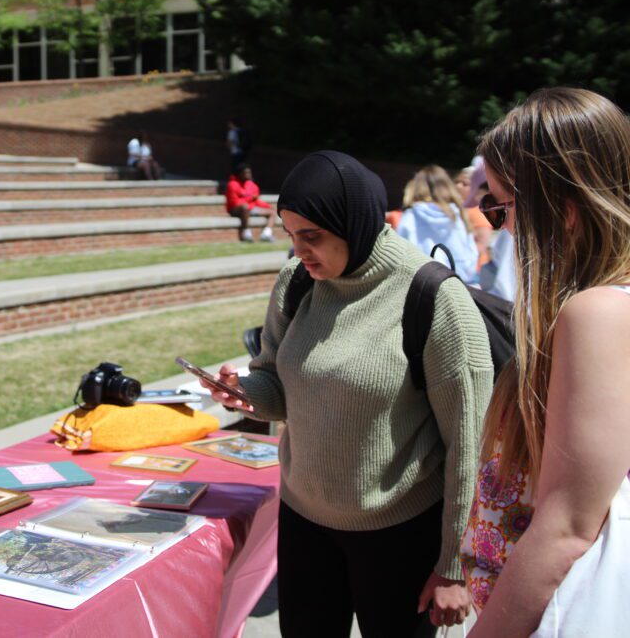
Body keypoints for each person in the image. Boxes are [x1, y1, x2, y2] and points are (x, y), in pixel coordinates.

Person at [202, 151, 492, 637]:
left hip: (401, 535)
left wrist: (455, 565)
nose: (299, 251)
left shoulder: (434, 298)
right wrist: (245, 393)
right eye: (291, 235)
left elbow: (471, 447)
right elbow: (276, 382)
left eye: (312, 236)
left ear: (354, 223)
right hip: (305, 523)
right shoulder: (296, 283)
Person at [460, 87, 630, 635]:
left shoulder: (597, 314)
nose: (499, 225)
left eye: (501, 205)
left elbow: (567, 526)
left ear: (566, 208)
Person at [396, 164, 480, 283]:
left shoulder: (410, 215)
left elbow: (399, 257)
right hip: (458, 284)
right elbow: (470, 256)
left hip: (419, 285)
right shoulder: (458, 214)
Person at [224, 163, 275, 242]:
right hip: (235, 209)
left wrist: (267, 206)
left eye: (249, 172)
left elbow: (256, 200)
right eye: (246, 173)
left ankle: (266, 234)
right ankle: (246, 234)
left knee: (272, 212)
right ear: (239, 174)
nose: (249, 175)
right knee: (244, 207)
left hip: (251, 208)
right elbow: (234, 202)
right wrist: (250, 198)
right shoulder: (232, 185)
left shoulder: (252, 185)